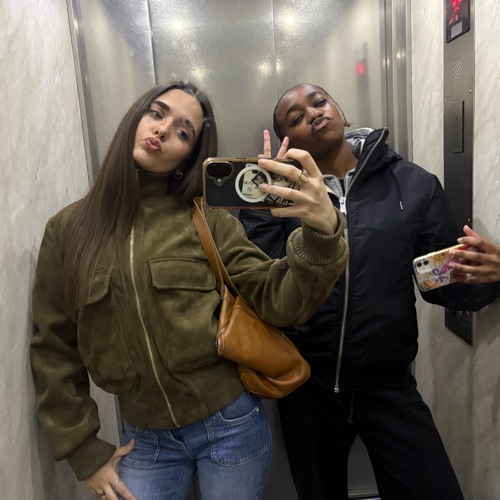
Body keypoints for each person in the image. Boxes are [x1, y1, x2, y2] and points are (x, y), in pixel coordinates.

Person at [30, 81, 349, 500]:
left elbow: (279, 300)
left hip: (230, 427)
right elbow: (54, 347)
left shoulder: (207, 219)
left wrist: (321, 233)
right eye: (157, 113)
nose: (163, 130)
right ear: (136, 118)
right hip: (145, 441)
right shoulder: (68, 230)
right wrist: (82, 449)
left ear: (189, 156)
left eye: (184, 132)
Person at [239, 83, 500, 500]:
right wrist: (275, 207)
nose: (312, 113)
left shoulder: (412, 185)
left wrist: (489, 274)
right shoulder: (273, 200)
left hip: (387, 383)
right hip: (306, 386)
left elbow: (444, 286)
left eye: (319, 102)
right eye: (295, 117)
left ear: (341, 114)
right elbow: (266, 292)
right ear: (289, 142)